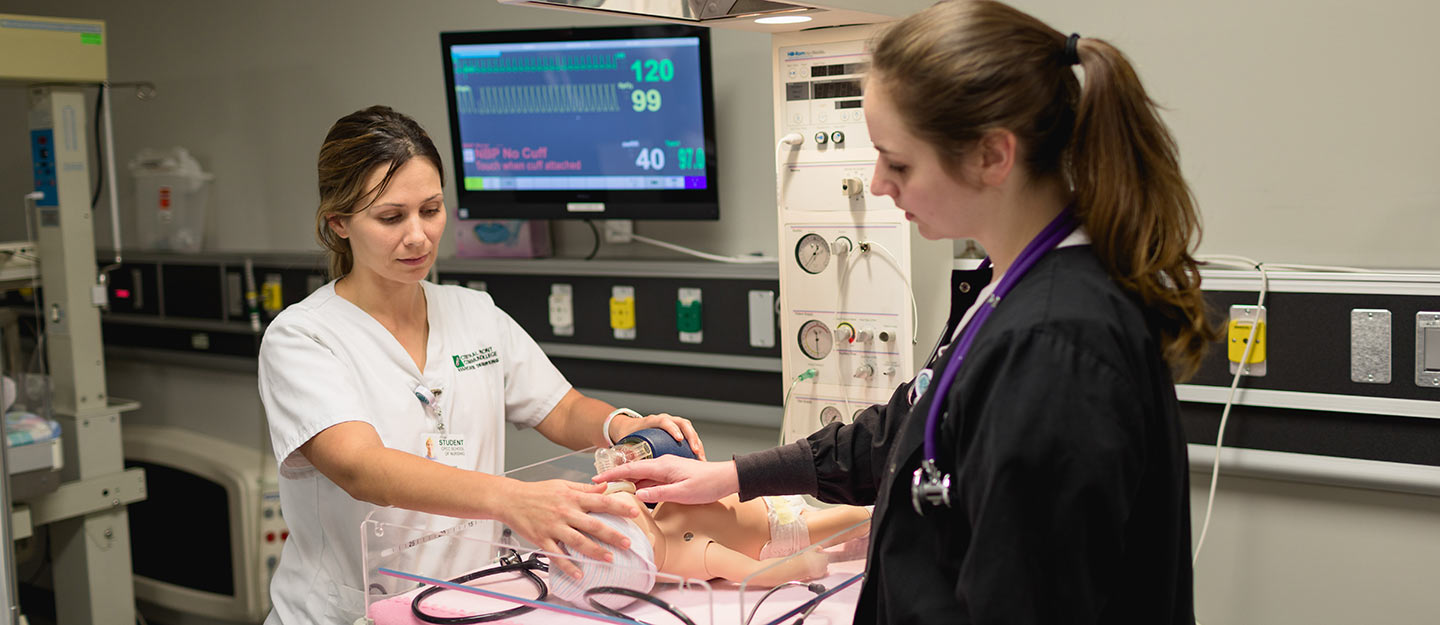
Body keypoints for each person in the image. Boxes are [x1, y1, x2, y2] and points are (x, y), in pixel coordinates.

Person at [595, 1, 1217, 623]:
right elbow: (908, 428)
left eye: (897, 162)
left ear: (992, 156)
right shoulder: (1008, 289)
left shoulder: (1055, 341)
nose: (879, 183)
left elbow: (1028, 596)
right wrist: (732, 476)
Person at [258, 105, 705, 624]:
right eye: (390, 217)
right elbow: (362, 467)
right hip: (349, 612)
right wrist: (513, 499)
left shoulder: (474, 313)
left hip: (466, 604)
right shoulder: (304, 337)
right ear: (338, 222)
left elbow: (560, 410)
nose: (418, 236)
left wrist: (622, 426)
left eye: (431, 210)